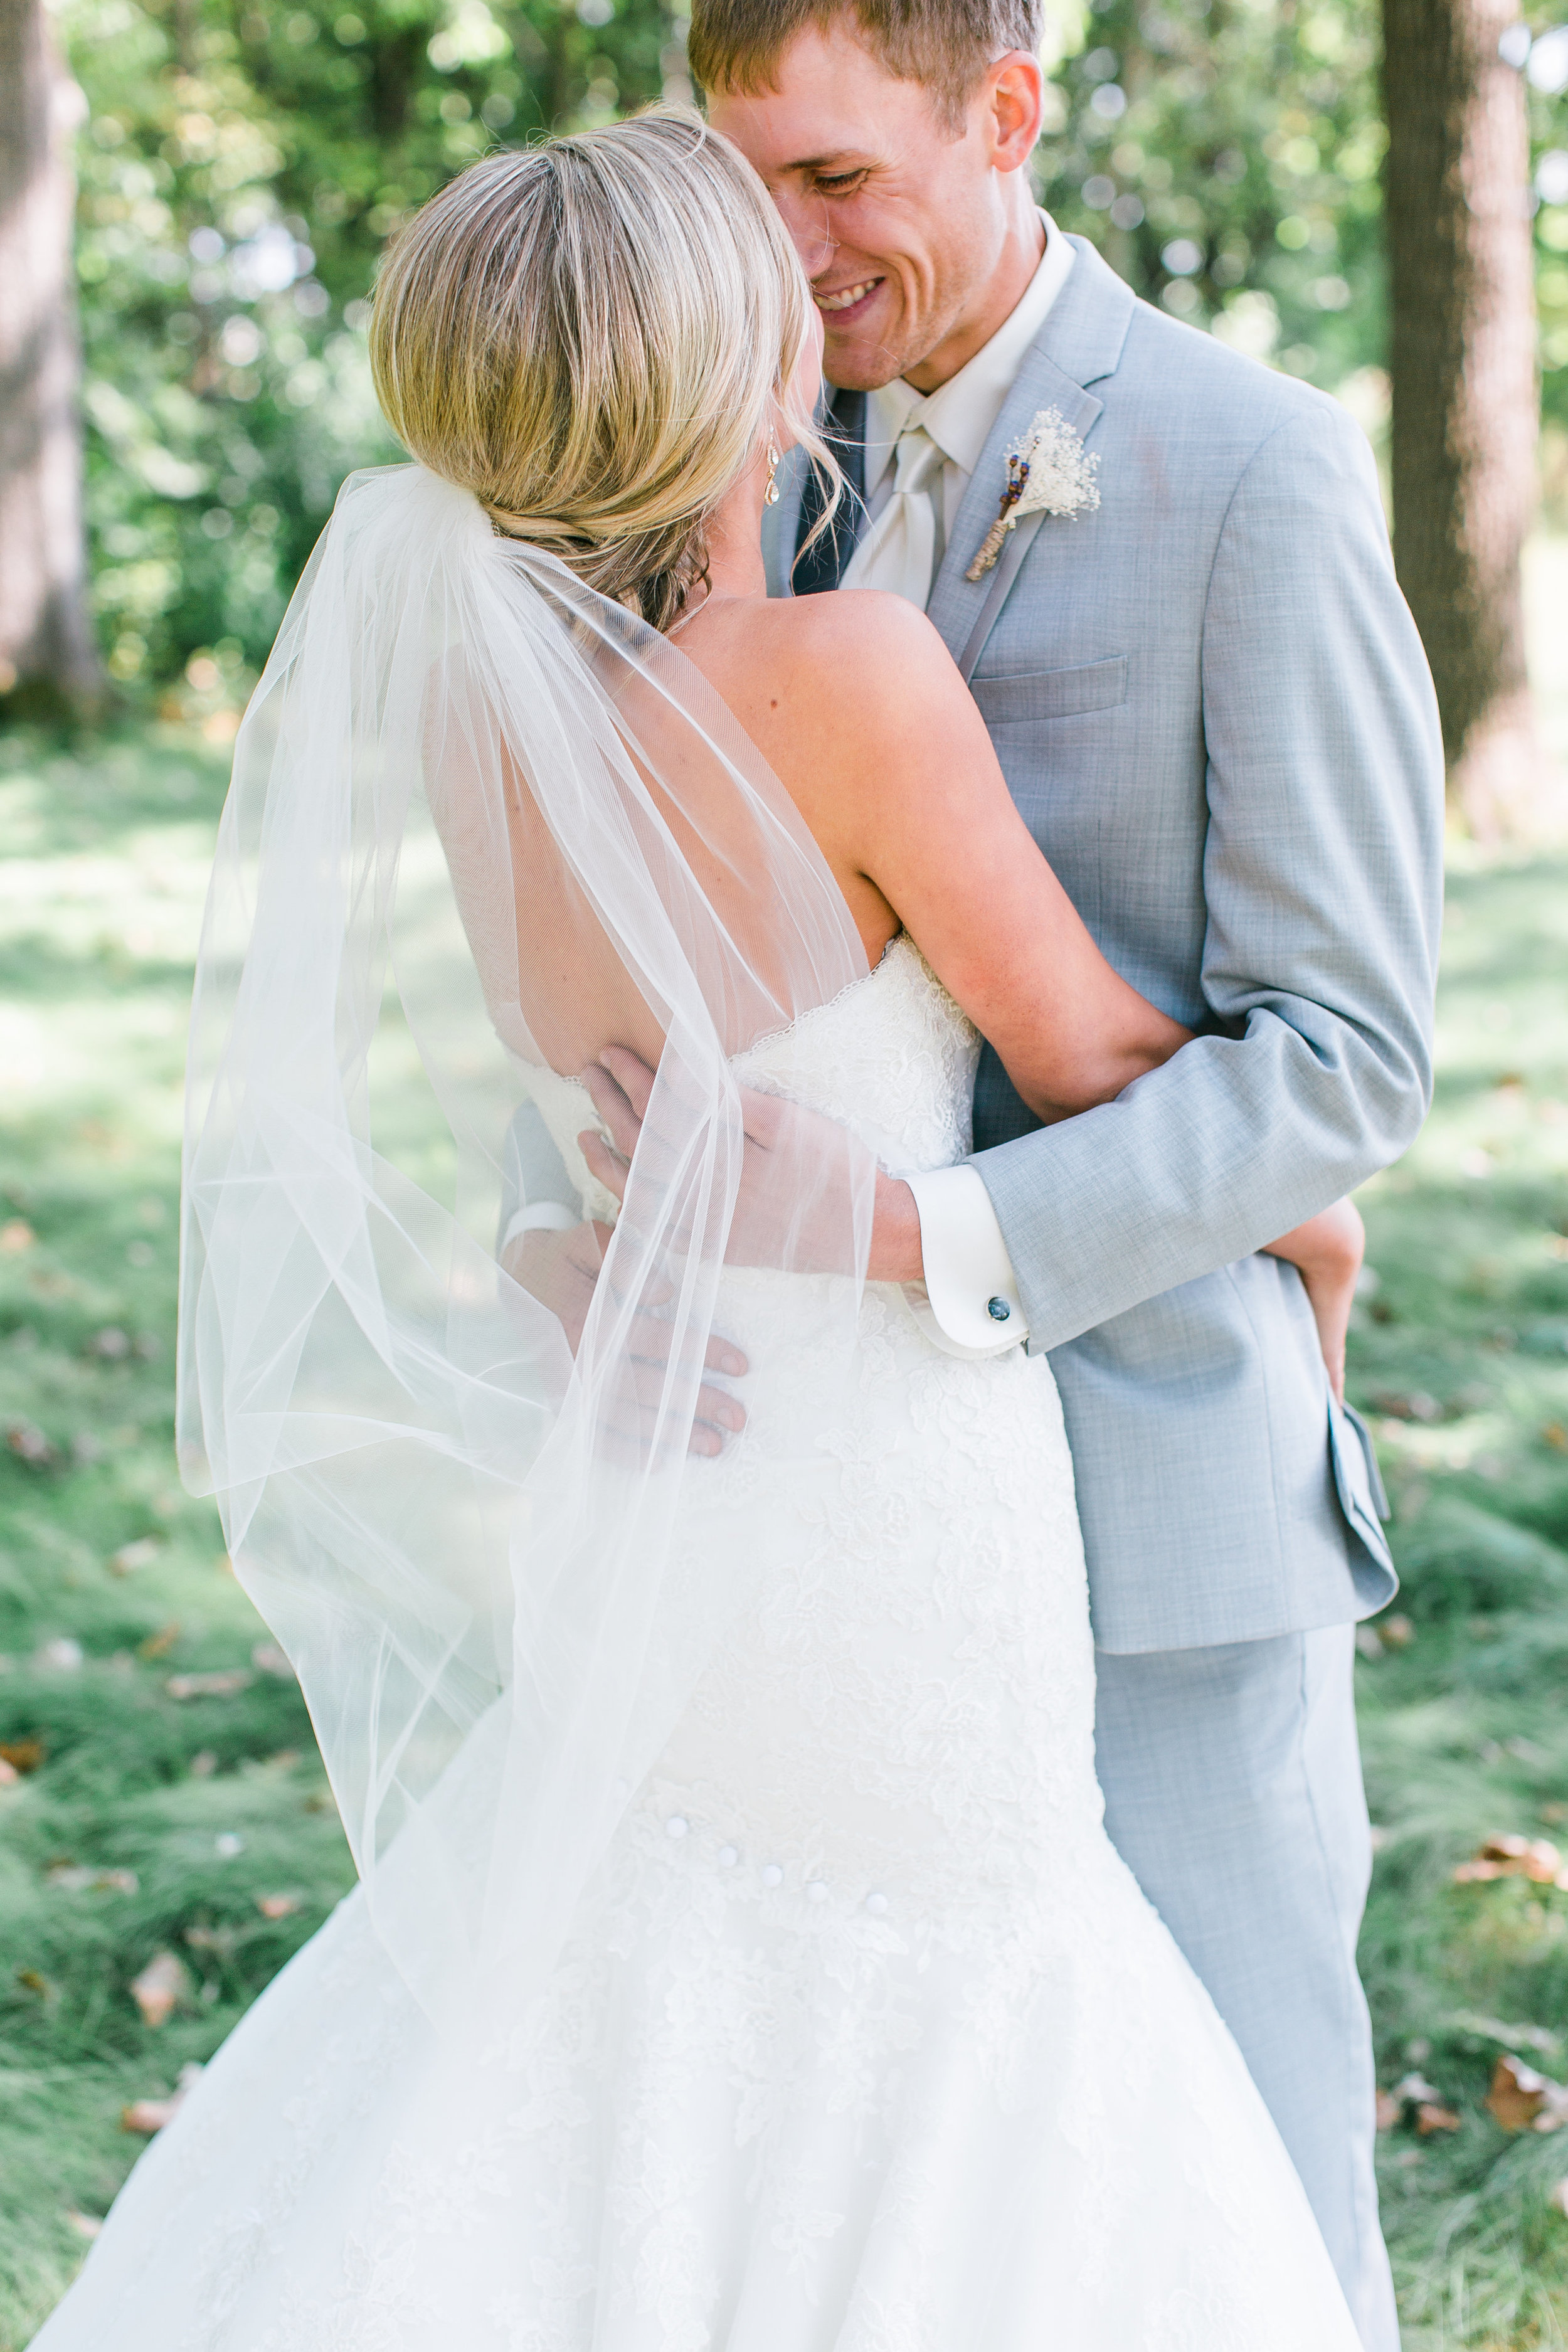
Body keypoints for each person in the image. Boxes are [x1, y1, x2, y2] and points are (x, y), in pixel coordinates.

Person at [33, 113, 1421, 2352]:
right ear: (748, 387)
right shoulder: (847, 685)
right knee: (953, 2019)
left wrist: (566, 1242)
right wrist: (1311, 1210)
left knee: (650, 1995)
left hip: (665, 1479)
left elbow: (580, 1110)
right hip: (881, 1491)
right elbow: (1079, 1054)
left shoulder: (492, 731)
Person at [500, 9, 1447, 2342]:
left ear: (1003, 118)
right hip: (813, 1518)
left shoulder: (1251, 469)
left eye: (833, 181)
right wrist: (566, 1255)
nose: (785, 251)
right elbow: (614, 925)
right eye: (743, 193)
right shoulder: (716, 448)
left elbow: (1343, 1054)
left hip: (1153, 1473)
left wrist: (930, 1232)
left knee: (1226, 2174)